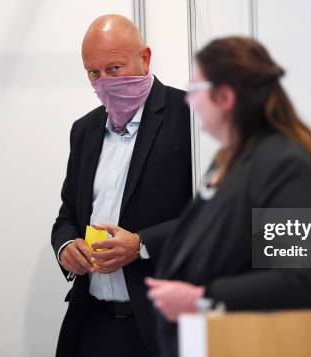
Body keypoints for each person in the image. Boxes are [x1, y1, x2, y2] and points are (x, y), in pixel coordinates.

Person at [142, 37, 311, 357]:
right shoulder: (230, 163)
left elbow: (306, 280)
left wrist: (203, 296)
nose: (189, 101)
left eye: (195, 89)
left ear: (224, 96)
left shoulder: (288, 166)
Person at [51, 14, 192, 357]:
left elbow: (214, 216)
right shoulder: (84, 130)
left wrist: (143, 244)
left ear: (145, 57)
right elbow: (67, 215)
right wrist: (67, 246)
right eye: (93, 73)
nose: (103, 82)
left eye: (114, 69)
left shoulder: (190, 117)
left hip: (160, 327)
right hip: (92, 322)